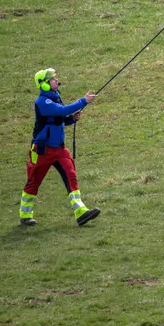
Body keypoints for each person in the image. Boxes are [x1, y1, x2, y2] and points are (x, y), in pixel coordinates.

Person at [19, 68, 100, 227]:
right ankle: (25, 214)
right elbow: (61, 111)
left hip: (59, 149)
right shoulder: (43, 101)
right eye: (52, 79)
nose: (56, 80)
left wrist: (71, 119)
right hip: (42, 150)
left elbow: (59, 119)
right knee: (34, 181)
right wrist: (83, 101)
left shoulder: (55, 97)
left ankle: (81, 212)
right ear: (44, 85)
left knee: (71, 175)